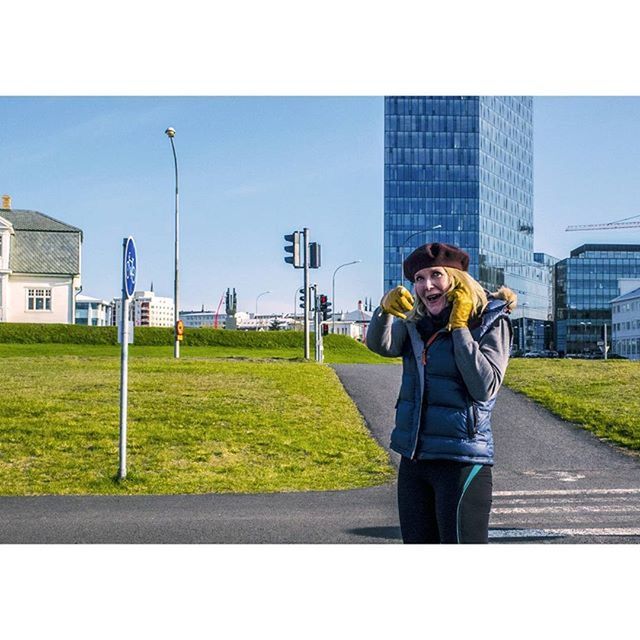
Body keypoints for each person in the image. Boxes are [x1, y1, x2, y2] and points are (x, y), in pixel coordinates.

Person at [366, 242, 516, 544]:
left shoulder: (490, 320)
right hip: (414, 458)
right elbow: (382, 346)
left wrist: (459, 327)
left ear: (457, 280)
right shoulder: (417, 324)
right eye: (419, 279)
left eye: (436, 275)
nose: (427, 285)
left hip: (461, 461)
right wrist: (383, 311)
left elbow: (484, 386)